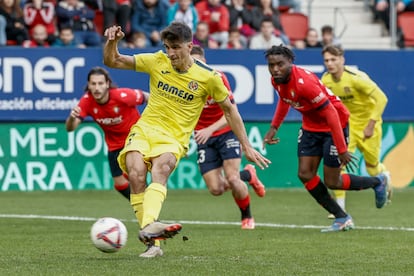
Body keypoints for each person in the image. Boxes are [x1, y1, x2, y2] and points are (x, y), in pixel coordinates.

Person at [103, 22, 270, 257]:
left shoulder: (209, 77)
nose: (170, 53)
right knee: (137, 174)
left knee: (160, 170)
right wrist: (112, 42)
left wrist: (247, 146)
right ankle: (153, 241)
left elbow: (231, 111)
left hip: (174, 137)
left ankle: (150, 233)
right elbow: (113, 61)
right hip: (145, 129)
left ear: (190, 46)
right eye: (167, 47)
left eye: (176, 47)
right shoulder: (157, 61)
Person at [262, 45, 390, 232]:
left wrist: (341, 149)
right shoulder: (277, 80)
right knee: (305, 174)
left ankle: (378, 181)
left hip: (334, 125)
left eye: (280, 64)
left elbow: (331, 113)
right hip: (310, 128)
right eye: (271, 65)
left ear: (290, 62)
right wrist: (274, 127)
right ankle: (342, 217)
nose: (275, 69)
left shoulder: (304, 83)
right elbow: (285, 99)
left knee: (332, 181)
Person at [191, 45, 265, 230]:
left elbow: (232, 112)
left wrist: (209, 129)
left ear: (205, 62)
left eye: (199, 63)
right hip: (203, 138)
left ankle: (247, 217)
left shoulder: (217, 77)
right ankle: (249, 174)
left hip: (226, 132)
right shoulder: (184, 82)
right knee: (216, 189)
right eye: (192, 64)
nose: (195, 67)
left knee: (232, 178)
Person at [321, 44, 392, 218]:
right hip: (348, 128)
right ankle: (340, 208)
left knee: (372, 167)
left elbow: (382, 98)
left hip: (369, 124)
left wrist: (371, 124)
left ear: (342, 60)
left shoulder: (356, 78)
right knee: (340, 163)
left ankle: (385, 178)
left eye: (333, 59)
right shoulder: (326, 80)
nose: (330, 64)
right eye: (326, 60)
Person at [65, 67, 149, 202]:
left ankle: (148, 209)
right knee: (120, 184)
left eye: (100, 83)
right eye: (93, 84)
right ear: (89, 85)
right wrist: (71, 118)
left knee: (136, 177)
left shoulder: (122, 96)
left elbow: (147, 97)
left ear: (107, 84)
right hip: (114, 146)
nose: (97, 88)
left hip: (134, 140)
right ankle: (144, 202)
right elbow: (70, 128)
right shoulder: (86, 101)